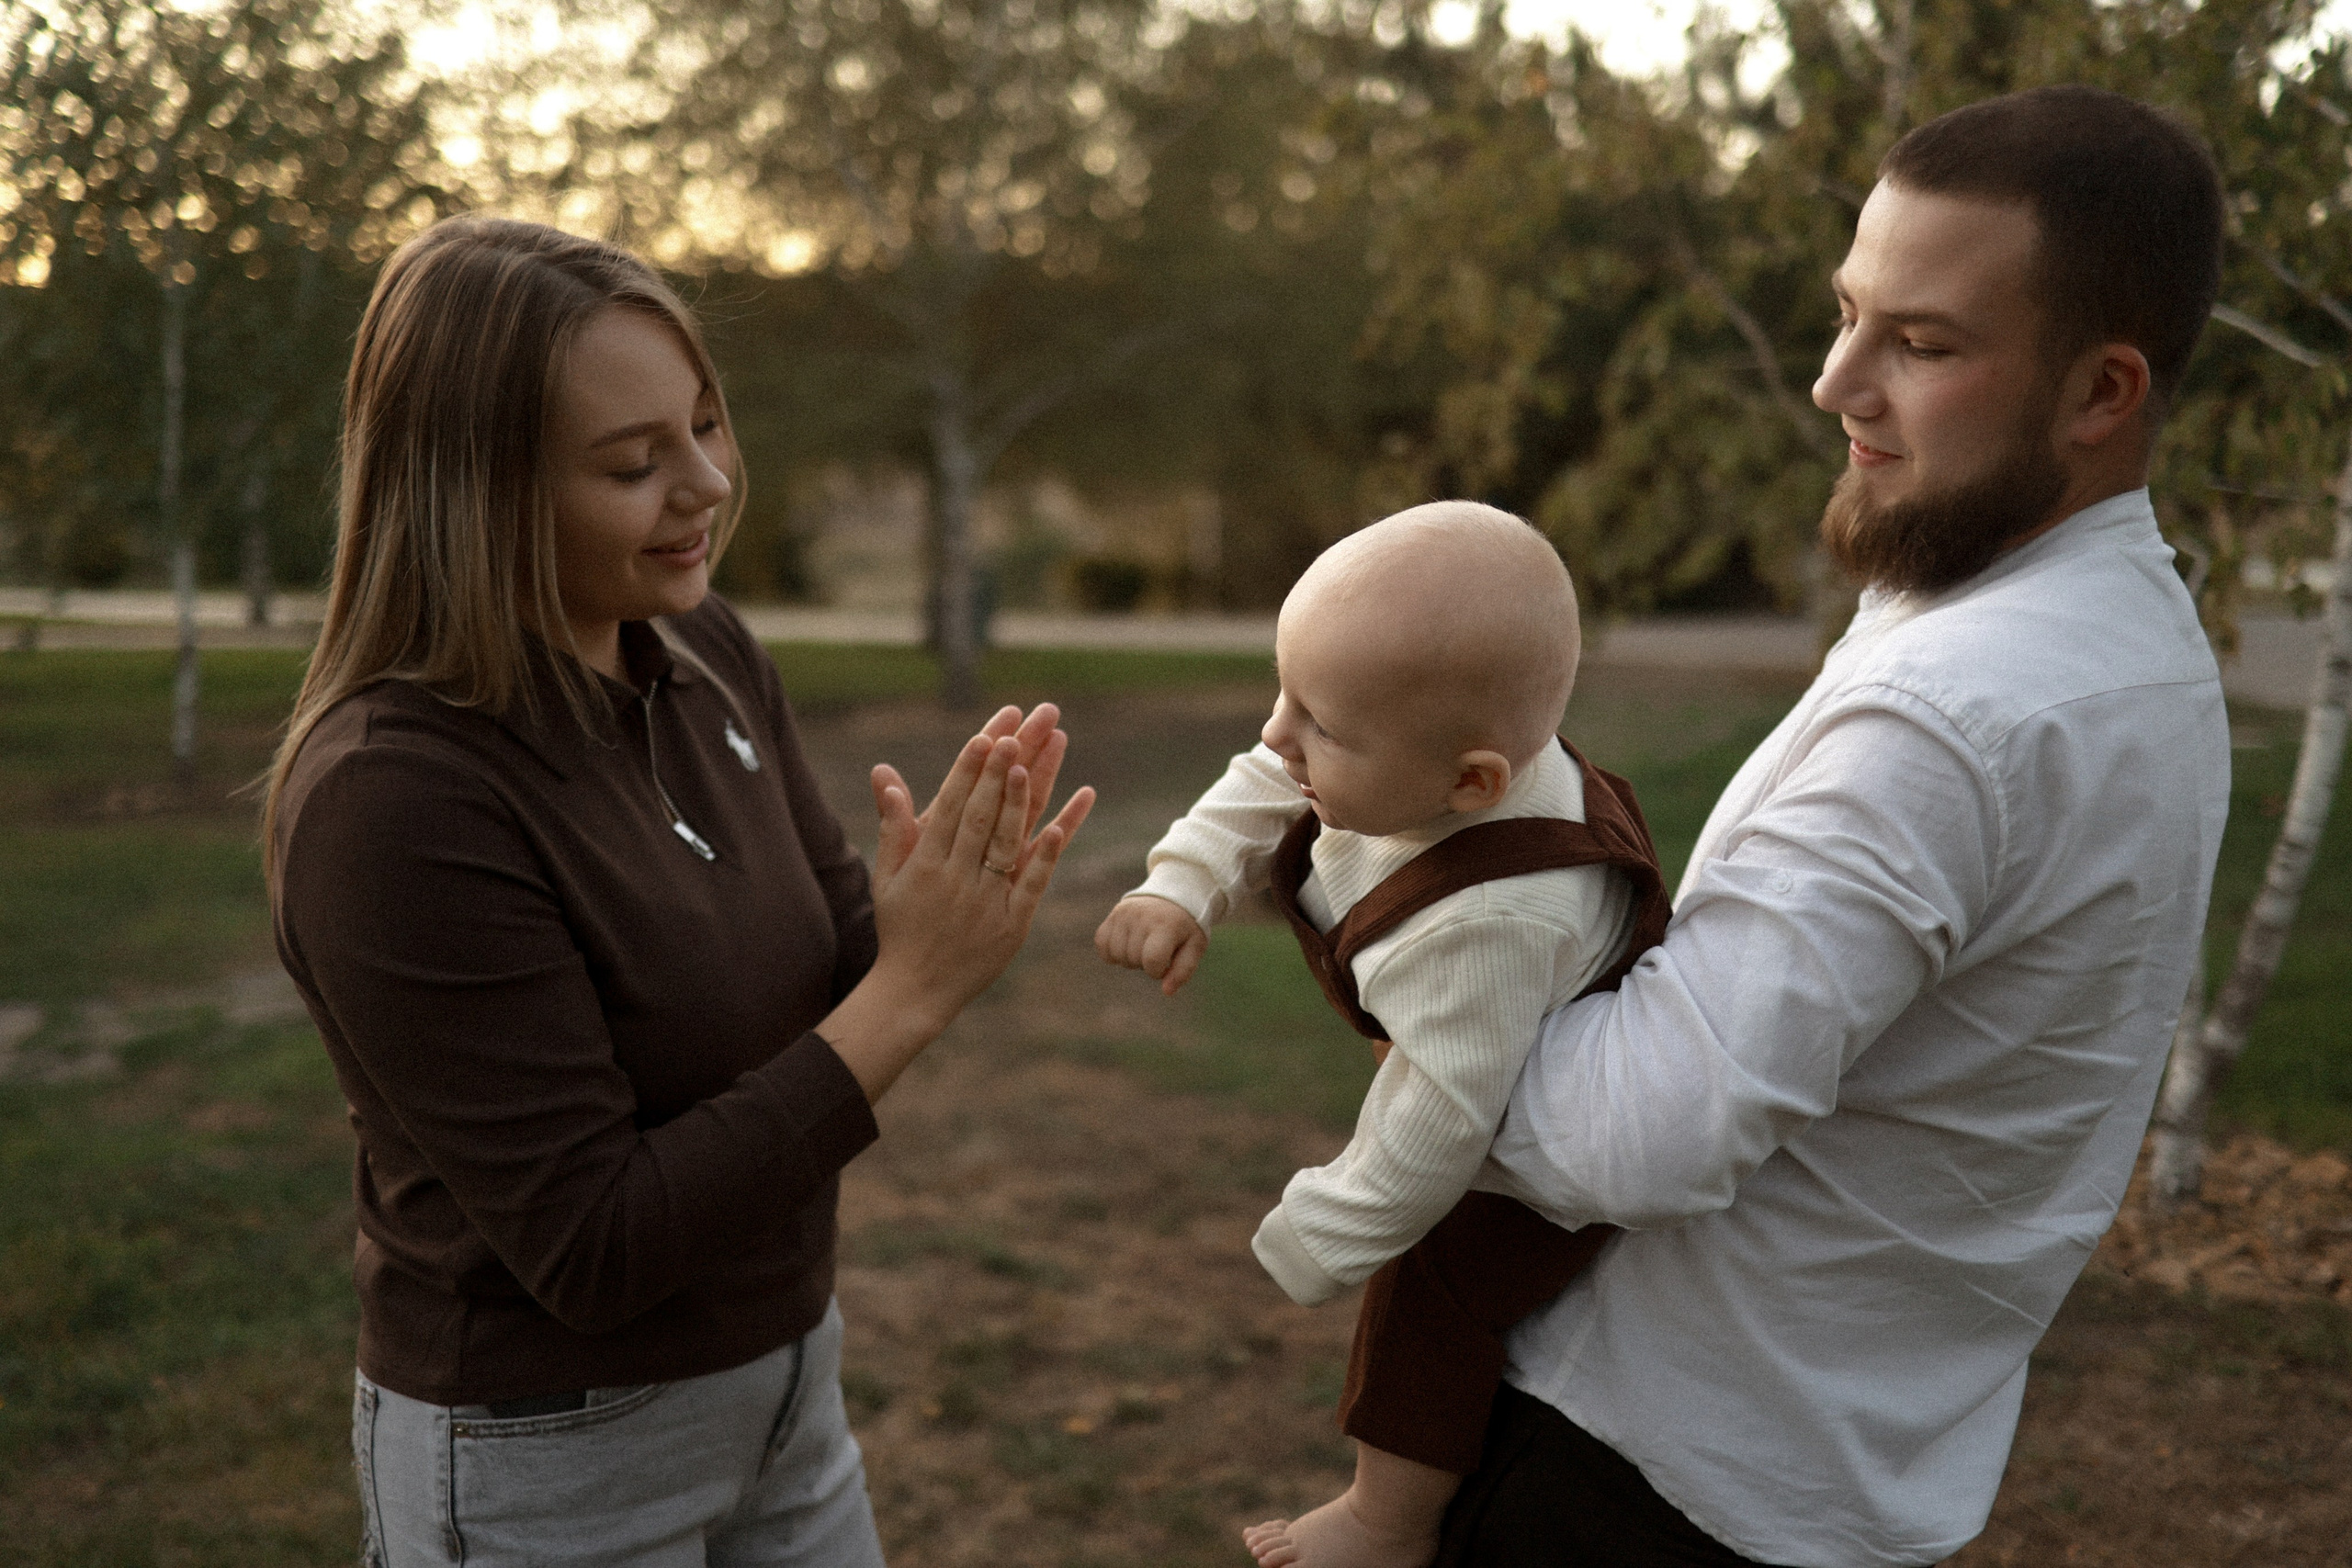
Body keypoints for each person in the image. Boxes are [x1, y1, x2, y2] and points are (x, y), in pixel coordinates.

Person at [1443, 85, 2231, 1566]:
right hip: (1837, 1481)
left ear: (2101, 392)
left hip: (1640, 1488)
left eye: (1922, 344)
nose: (1834, 382)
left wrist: (1400, 949)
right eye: (1847, 313)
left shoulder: (1957, 708)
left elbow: (1634, 1135)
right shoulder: (2132, 638)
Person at [261, 215, 1092, 1567]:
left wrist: (936, 904)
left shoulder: (699, 646)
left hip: (784, 1393)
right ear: (476, 488)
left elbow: (833, 962)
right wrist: (917, 984)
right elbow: (594, 1243)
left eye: (705, 424)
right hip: (546, 1455)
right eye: (634, 462)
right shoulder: (393, 800)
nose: (705, 483)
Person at [1094, 502, 1672, 1568]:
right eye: (1287, 696)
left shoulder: (1491, 921)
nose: (1277, 734)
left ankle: (1386, 1522)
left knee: (1434, 1291)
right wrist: (1182, 887)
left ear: (1473, 785)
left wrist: (1323, 1230)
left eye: (1317, 725)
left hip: (1536, 1136)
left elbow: (1440, 1120)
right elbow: (1263, 780)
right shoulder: (1393, 753)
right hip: (1453, 1035)